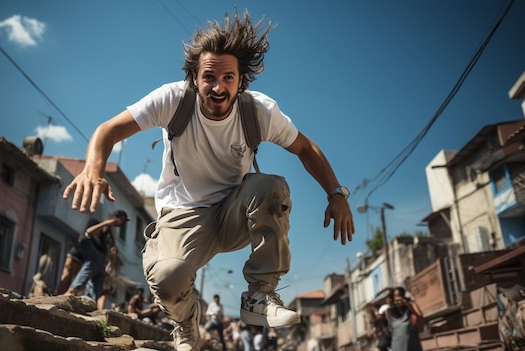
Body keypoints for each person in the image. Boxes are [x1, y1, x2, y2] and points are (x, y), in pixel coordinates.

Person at [62, 9, 354, 350]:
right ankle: (185, 323)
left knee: (271, 187)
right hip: (182, 215)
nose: (218, 88)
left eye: (228, 78)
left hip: (234, 210)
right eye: (209, 78)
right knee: (167, 280)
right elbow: (108, 130)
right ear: (194, 78)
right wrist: (93, 169)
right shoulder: (172, 100)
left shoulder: (258, 111)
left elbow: (305, 147)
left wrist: (336, 193)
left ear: (240, 80)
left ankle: (260, 296)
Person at [66, 210, 129, 301]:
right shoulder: (95, 222)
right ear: (115, 217)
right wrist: (106, 223)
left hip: (100, 258)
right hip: (87, 248)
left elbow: (114, 251)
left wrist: (112, 263)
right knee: (93, 263)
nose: (120, 223)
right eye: (120, 220)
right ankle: (73, 289)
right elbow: (88, 232)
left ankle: (91, 300)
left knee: (100, 274)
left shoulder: (110, 234)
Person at [386, 287, 423, 351]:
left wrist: (407, 304)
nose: (398, 301)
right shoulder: (390, 312)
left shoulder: (409, 308)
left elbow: (419, 315)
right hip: (397, 346)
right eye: (395, 298)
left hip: (412, 346)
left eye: (399, 297)